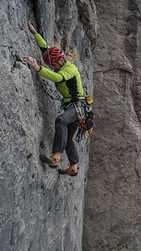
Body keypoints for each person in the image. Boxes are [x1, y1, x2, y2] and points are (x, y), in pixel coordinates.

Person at [24, 21, 85, 176]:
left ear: (60, 60)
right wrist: (35, 34)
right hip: (75, 108)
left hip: (77, 106)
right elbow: (46, 49)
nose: (53, 67)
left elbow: (58, 78)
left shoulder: (69, 69)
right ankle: (73, 166)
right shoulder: (59, 61)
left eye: (54, 65)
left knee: (61, 121)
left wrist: (38, 69)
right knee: (69, 139)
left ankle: (55, 156)